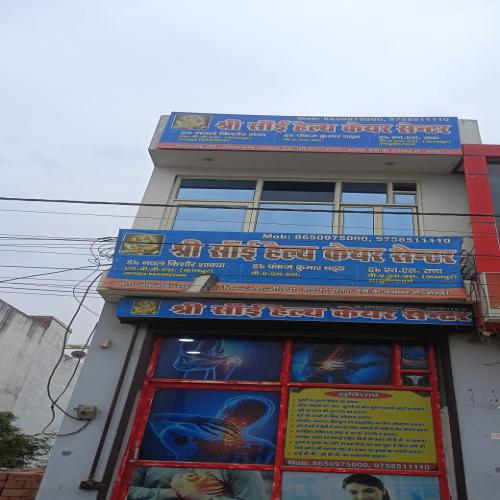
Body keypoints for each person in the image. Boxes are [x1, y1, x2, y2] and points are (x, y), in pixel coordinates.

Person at [148, 395, 276, 464]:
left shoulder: (189, 437)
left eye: (225, 409)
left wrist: (196, 419)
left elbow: (155, 419)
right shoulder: (266, 447)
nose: (220, 411)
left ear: (227, 414)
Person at [128, 466, 267, 500]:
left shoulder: (240, 461)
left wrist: (201, 498)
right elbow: (123, 490)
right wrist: (170, 494)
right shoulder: (148, 453)